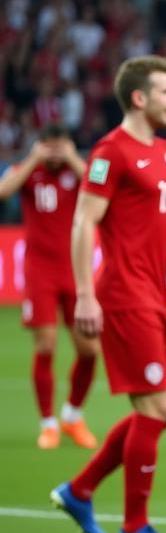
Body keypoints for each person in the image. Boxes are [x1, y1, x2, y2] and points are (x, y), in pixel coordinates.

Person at [50, 56, 166, 533]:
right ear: (140, 98)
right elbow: (84, 222)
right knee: (153, 405)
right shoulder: (112, 151)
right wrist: (85, 292)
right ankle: (134, 529)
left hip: (155, 294)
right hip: (123, 294)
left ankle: (79, 490)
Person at [0, 124, 99, 449]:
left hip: (76, 269)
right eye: (50, 147)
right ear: (40, 145)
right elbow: (3, 191)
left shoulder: (78, 171)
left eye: (61, 146)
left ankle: (72, 415)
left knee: (89, 350)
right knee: (46, 346)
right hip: (40, 271)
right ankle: (48, 423)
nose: (55, 154)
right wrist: (32, 159)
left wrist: (72, 158)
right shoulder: (30, 171)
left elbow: (101, 185)